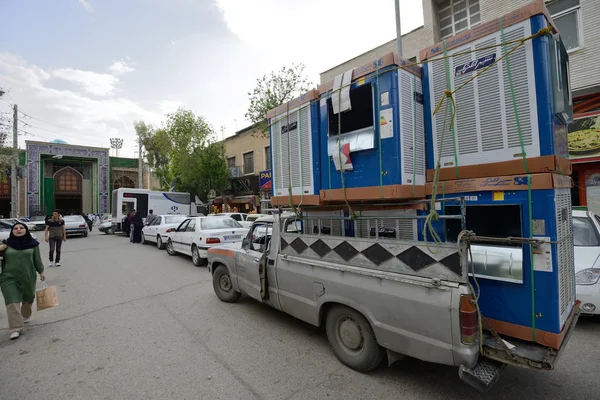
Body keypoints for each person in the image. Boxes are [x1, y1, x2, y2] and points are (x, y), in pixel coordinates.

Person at [0, 223, 45, 340]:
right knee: (12, 302)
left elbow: (37, 260)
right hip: (8, 278)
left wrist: (41, 272)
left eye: (21, 228)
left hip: (28, 276)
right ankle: (15, 328)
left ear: (26, 230)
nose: (18, 230)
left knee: (28, 297)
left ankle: (25, 314)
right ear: (12, 231)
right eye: (15, 228)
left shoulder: (33, 245)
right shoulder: (5, 244)